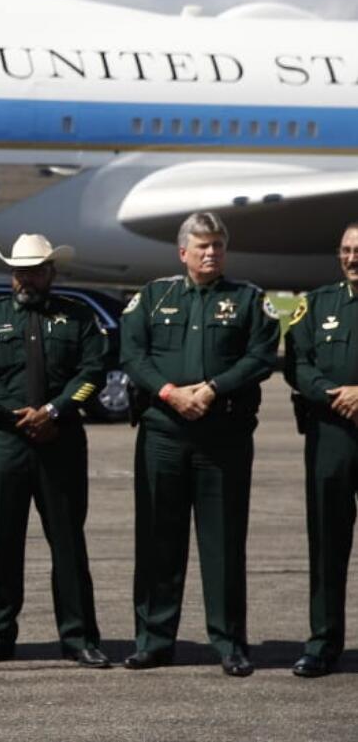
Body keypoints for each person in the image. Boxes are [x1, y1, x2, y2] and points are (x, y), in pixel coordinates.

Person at [120, 211, 279, 677]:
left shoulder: (248, 300)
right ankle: (153, 640)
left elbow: (261, 357)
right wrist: (170, 392)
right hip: (164, 437)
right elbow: (133, 354)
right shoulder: (153, 296)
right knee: (156, 543)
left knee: (224, 544)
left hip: (222, 439)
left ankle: (229, 642)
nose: (211, 253)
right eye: (202, 246)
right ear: (182, 252)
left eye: (218, 246)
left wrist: (212, 388)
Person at [0, 234, 109, 668]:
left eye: (36, 269)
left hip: (60, 442)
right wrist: (17, 414)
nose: (27, 278)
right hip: (7, 442)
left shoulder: (77, 318)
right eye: (20, 270)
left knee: (67, 542)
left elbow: (93, 371)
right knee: (2, 541)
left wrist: (54, 410)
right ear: (11, 275)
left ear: (51, 272)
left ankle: (79, 636)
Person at [284, 222, 358, 678]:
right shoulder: (316, 303)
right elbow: (297, 362)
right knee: (327, 542)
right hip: (331, 432)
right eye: (348, 250)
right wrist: (336, 394)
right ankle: (323, 642)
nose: (354, 258)